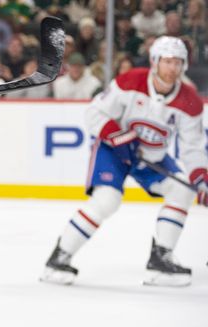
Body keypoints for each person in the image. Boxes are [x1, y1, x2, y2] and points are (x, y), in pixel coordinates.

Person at [41, 36, 208, 287]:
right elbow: (94, 113)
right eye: (167, 61)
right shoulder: (130, 81)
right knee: (107, 200)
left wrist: (201, 179)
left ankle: (160, 261)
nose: (172, 68)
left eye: (178, 62)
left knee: (182, 189)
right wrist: (118, 136)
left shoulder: (190, 101)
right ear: (155, 61)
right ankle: (57, 259)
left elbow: (193, 148)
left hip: (151, 157)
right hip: (114, 151)